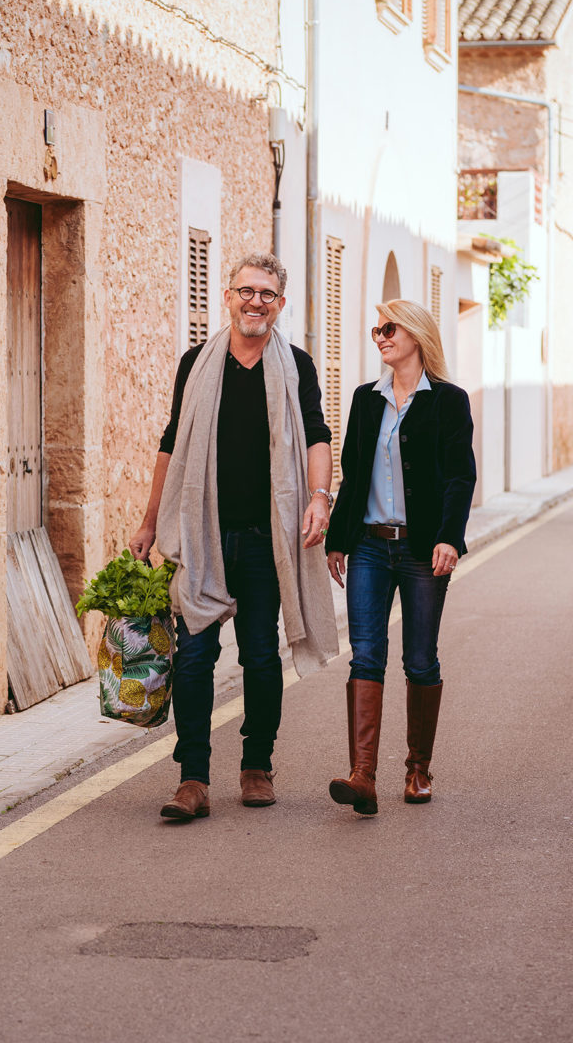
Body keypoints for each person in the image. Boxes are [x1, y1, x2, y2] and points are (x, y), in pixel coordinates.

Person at [130, 252, 338, 822]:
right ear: (229, 296)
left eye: (267, 294)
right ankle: (192, 777)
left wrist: (320, 497)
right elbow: (171, 441)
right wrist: (151, 520)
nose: (255, 303)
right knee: (194, 656)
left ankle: (256, 766)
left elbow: (317, 434)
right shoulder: (197, 363)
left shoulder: (296, 366)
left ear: (280, 304)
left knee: (260, 658)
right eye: (246, 291)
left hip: (267, 537)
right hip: (203, 534)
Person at [325, 299, 476, 816]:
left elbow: (460, 477)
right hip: (369, 544)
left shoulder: (449, 401)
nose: (381, 336)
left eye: (390, 328)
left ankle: (417, 769)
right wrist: (338, 539)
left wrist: (449, 538)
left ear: (417, 334)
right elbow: (352, 472)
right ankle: (362, 775)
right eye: (377, 329)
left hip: (421, 548)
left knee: (419, 659)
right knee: (365, 653)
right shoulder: (367, 400)